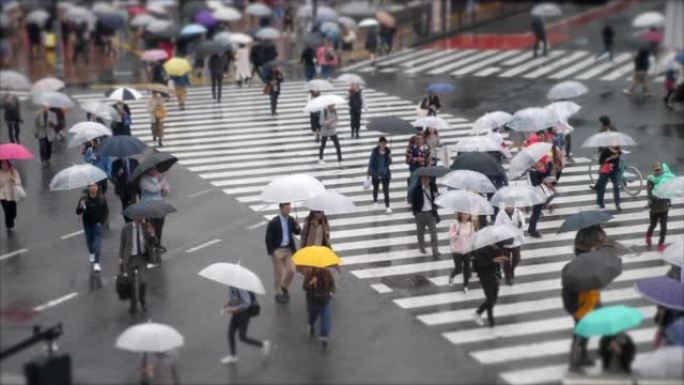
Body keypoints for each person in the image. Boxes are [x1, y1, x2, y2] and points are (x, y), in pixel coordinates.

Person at [220, 287, 270, 364]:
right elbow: (235, 299)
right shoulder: (232, 286)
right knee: (231, 333)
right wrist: (228, 304)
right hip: (237, 313)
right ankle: (233, 356)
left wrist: (232, 309)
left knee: (242, 337)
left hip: (244, 314)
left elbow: (247, 303)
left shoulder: (240, 288)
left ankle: (263, 344)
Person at [265, 203, 301, 303]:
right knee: (279, 273)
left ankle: (284, 286)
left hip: (288, 249)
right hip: (278, 250)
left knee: (291, 271)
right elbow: (268, 239)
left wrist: (298, 226)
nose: (289, 210)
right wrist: (273, 252)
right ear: (281, 209)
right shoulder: (274, 222)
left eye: (290, 208)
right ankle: (278, 292)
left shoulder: (291, 220)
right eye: (287, 208)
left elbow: (297, 232)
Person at [119, 218, 156, 314]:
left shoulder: (146, 227)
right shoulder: (126, 228)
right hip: (130, 259)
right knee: (130, 283)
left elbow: (153, 243)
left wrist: (152, 234)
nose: (142, 219)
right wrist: (120, 258)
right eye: (140, 217)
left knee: (143, 281)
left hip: (141, 258)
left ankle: (142, 299)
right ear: (134, 217)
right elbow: (122, 244)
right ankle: (133, 302)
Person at [472, 244, 508, 327]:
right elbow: (478, 266)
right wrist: (493, 260)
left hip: (495, 276)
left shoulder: (496, 249)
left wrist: (501, 258)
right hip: (485, 277)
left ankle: (489, 319)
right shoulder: (480, 251)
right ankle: (482, 315)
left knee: (493, 299)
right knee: (490, 299)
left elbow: (497, 261)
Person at [76, 183, 108, 272]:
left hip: (97, 225)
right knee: (89, 242)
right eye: (91, 186)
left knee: (96, 245)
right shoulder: (83, 199)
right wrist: (81, 206)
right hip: (87, 224)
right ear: (88, 188)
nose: (93, 188)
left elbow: (106, 211)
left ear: (98, 187)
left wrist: (101, 222)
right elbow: (78, 212)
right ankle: (91, 252)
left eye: (95, 186)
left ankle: (96, 263)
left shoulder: (101, 198)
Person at [139, 168, 170, 253]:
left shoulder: (158, 178)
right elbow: (154, 189)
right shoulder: (143, 180)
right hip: (149, 206)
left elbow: (166, 188)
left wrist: (166, 190)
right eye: (152, 170)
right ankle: (149, 245)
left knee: (159, 225)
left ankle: (157, 243)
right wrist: (162, 182)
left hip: (160, 205)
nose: (155, 171)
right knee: (150, 226)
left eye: (155, 169)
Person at [303, 267, 335, 348]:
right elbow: (304, 287)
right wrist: (311, 283)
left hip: (324, 301)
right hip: (313, 301)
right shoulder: (309, 273)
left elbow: (332, 285)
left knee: (326, 322)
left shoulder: (327, 273)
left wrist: (331, 292)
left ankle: (324, 337)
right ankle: (311, 325)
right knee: (312, 316)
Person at [646, 162, 674, 252]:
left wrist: (669, 202)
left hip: (664, 208)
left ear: (661, 170)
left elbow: (668, 191)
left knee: (664, 227)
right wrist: (659, 194)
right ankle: (648, 236)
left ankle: (661, 244)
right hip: (654, 207)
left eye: (659, 169)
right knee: (653, 225)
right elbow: (650, 194)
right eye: (656, 169)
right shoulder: (651, 180)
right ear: (654, 170)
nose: (658, 171)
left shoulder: (664, 179)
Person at [410, 175, 440, 258]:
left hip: (431, 214)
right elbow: (413, 201)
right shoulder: (417, 189)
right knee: (420, 232)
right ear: (421, 180)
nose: (426, 181)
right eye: (424, 179)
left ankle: (435, 250)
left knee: (433, 234)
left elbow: (437, 198)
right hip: (420, 214)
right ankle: (422, 247)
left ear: (430, 179)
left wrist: (436, 196)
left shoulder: (433, 187)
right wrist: (415, 213)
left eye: (427, 179)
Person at [495, 207, 525, 285]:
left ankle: (511, 270)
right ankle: (508, 277)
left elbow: (523, 224)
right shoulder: (501, 214)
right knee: (506, 260)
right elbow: (496, 227)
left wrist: (520, 224)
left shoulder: (518, 212)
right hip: (505, 240)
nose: (509, 207)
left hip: (516, 240)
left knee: (517, 258)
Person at [448, 212, 475, 292]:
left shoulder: (470, 224)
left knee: (467, 268)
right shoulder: (454, 224)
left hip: (466, 250)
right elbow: (450, 237)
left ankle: (465, 285)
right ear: (460, 215)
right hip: (457, 250)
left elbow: (472, 237)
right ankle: (452, 276)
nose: (466, 216)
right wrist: (456, 233)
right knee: (458, 268)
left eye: (468, 214)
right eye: (464, 214)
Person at [367, 136, 392, 214]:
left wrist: (390, 158)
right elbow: (371, 163)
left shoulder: (388, 151)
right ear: (379, 143)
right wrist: (369, 174)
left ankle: (387, 206)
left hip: (385, 174)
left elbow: (389, 164)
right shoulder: (374, 151)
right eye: (381, 143)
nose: (383, 145)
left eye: (384, 144)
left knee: (386, 190)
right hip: (376, 173)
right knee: (376, 188)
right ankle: (375, 202)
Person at [527, 160, 551, 238]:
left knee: (536, 212)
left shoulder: (532, 171)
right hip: (537, 195)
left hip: (535, 195)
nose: (539, 163)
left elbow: (545, 174)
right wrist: (549, 164)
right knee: (536, 213)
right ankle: (532, 230)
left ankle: (531, 229)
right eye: (537, 162)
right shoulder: (533, 172)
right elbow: (535, 182)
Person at [111, 157, 139, 222]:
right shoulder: (115, 163)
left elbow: (139, 172)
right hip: (122, 189)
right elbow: (113, 176)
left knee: (132, 204)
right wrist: (118, 174)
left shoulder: (134, 161)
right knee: (125, 205)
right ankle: (127, 221)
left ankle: (132, 221)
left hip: (132, 187)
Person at [595, 146, 622, 211]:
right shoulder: (605, 150)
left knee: (616, 186)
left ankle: (617, 204)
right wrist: (610, 158)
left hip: (614, 171)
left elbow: (617, 161)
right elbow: (600, 161)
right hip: (605, 170)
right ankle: (600, 202)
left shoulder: (618, 151)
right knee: (602, 186)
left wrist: (613, 164)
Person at [0, 160, 22, 231]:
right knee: (7, 211)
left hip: (12, 194)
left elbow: (18, 181)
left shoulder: (13, 171)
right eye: (3, 164)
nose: (4, 165)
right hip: (3, 195)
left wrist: (14, 180)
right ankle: (8, 224)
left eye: (6, 164)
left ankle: (11, 220)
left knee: (13, 213)